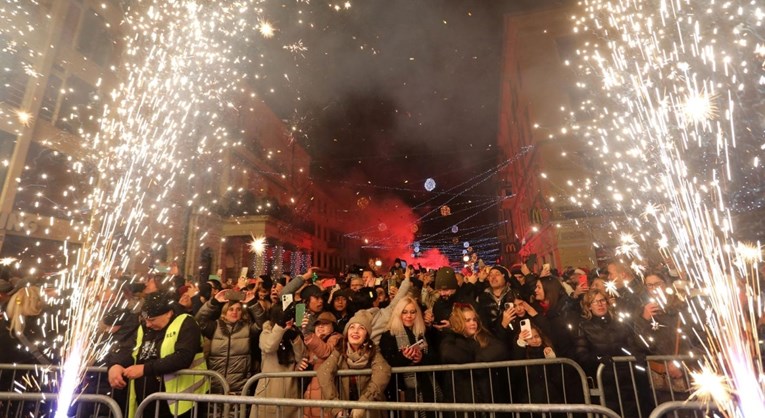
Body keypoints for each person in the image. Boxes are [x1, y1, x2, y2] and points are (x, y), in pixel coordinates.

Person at [107, 291, 209, 418]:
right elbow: (131, 350)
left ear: (168, 313)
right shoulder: (144, 327)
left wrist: (145, 369)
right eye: (146, 320)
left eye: (152, 320)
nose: (148, 324)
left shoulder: (187, 323)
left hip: (181, 403)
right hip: (148, 403)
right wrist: (115, 365)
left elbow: (183, 357)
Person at [574, 289, 652, 417]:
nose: (600, 304)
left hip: (627, 377)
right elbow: (582, 353)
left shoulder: (620, 323)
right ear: (589, 307)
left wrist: (635, 357)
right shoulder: (585, 326)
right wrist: (599, 358)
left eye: (602, 300)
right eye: (595, 302)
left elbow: (631, 344)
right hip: (605, 379)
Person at [317, 310, 391, 418]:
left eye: (361, 328)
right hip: (345, 410)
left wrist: (363, 403)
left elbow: (383, 372)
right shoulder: (339, 349)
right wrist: (334, 404)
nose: (355, 331)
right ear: (347, 332)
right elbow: (323, 371)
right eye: (352, 327)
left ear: (366, 335)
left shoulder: (373, 351)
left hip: (369, 411)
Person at [439, 304, 509, 408]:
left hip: (485, 395)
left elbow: (501, 349)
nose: (473, 323)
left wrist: (478, 362)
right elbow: (447, 353)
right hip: (462, 397)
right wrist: (474, 362)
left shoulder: (484, 337)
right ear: (459, 322)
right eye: (467, 320)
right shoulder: (451, 338)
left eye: (474, 320)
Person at [195, 289, 261, 394]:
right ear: (224, 313)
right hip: (215, 383)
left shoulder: (247, 328)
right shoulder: (215, 327)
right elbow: (199, 321)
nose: (234, 312)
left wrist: (253, 303)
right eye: (231, 309)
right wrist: (214, 301)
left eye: (238, 309)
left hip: (240, 385)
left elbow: (262, 324)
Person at [379, 296, 437, 405]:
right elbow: (386, 364)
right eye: (404, 312)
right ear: (398, 313)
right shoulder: (389, 335)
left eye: (412, 312)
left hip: (426, 387)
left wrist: (421, 358)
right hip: (401, 391)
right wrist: (403, 357)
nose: (408, 316)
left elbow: (435, 358)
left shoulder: (423, 333)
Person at [252, 304, 306, 418]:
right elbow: (269, 346)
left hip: (291, 393)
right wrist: (281, 328)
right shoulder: (266, 332)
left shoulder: (294, 333)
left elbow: (301, 357)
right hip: (268, 393)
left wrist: (295, 336)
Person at [301, 311, 342, 418]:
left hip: (326, 395)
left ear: (333, 327)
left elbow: (326, 351)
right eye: (318, 325)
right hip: (310, 397)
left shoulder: (336, 338)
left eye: (325, 324)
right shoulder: (313, 342)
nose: (320, 327)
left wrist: (309, 335)